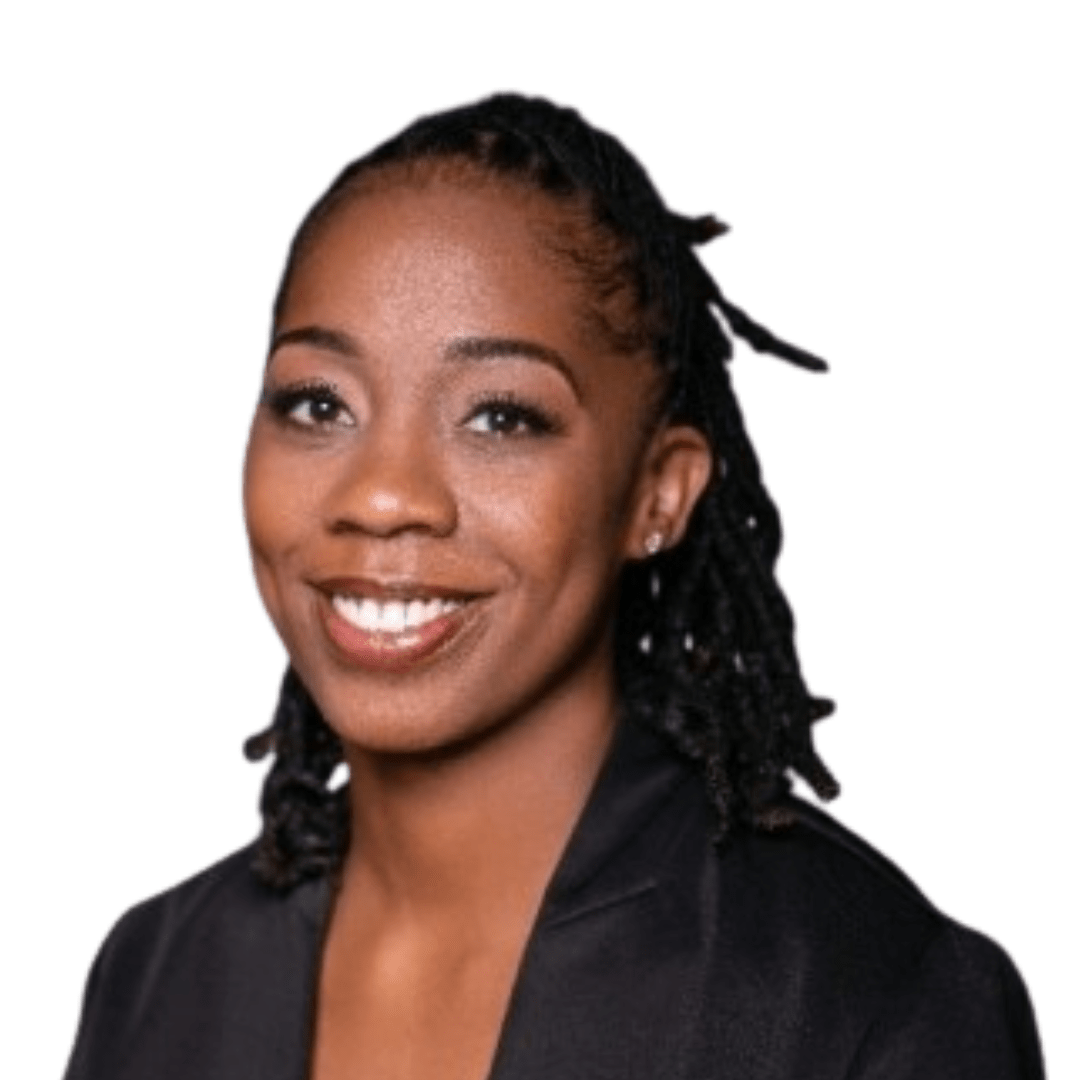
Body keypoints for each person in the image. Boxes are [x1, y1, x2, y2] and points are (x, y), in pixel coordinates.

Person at [62, 93, 1044, 1080]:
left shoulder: (859, 997)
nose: (383, 495)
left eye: (499, 418)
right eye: (319, 403)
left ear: (659, 493)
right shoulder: (157, 976)